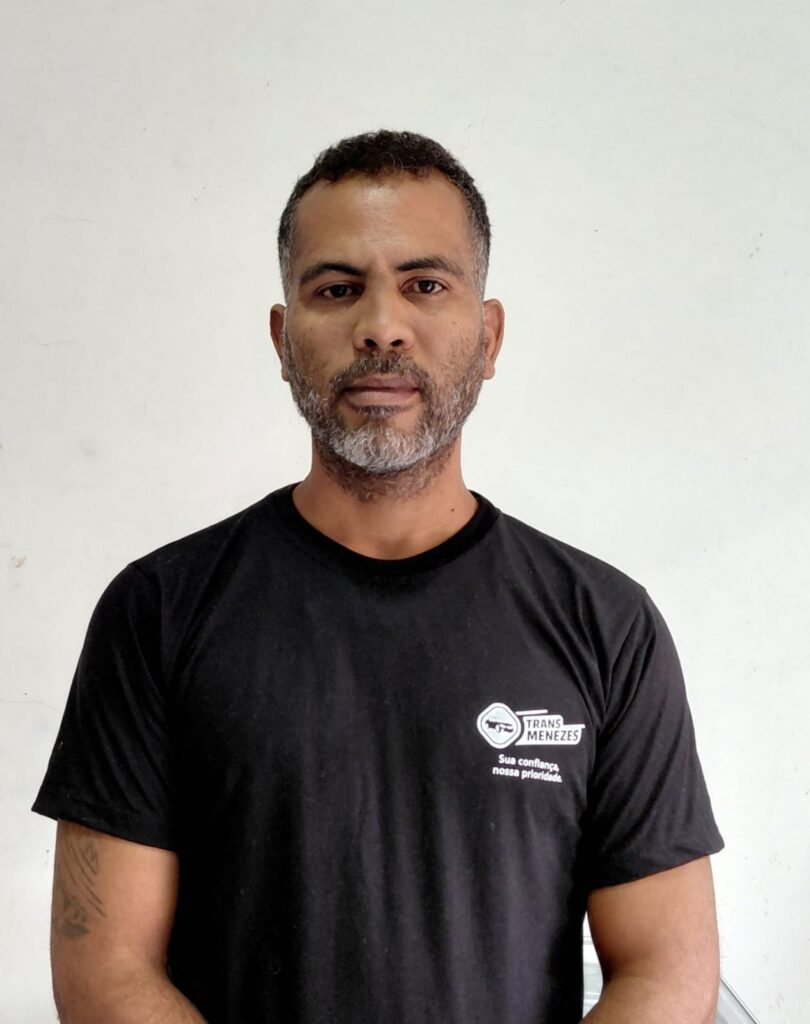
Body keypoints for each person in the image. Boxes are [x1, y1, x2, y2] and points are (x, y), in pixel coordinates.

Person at [33, 129, 724, 1024]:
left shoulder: (605, 623)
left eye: (425, 284)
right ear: (283, 339)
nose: (382, 326)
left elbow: (665, 971)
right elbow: (106, 971)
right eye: (337, 288)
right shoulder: (158, 612)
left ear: (489, 335)